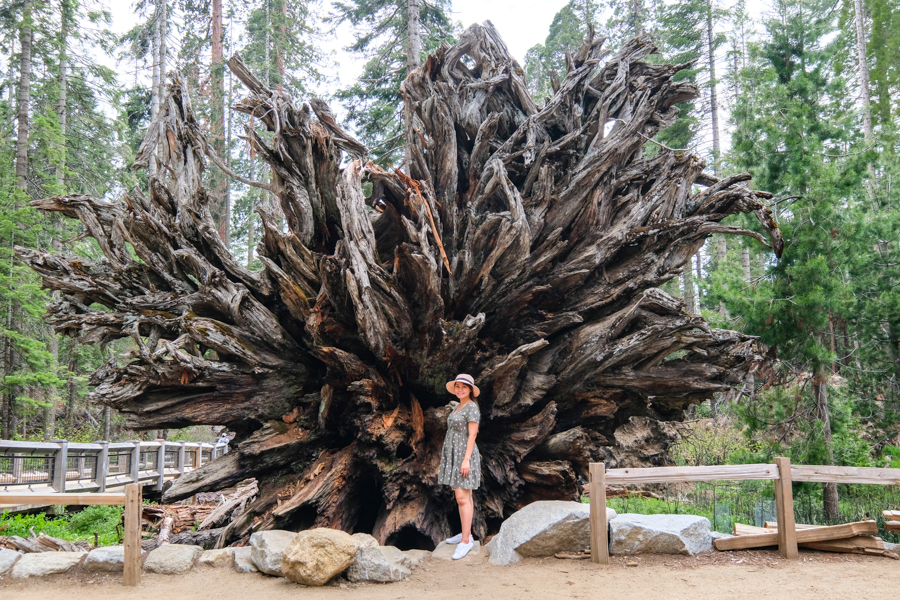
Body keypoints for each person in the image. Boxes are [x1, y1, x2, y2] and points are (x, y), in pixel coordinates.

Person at [437, 373, 482, 560]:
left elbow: (472, 435)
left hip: (465, 455)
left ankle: (465, 542)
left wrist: (466, 460)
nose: (460, 389)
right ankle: (467, 534)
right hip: (455, 454)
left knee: (462, 497)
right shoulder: (458, 407)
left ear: (470, 389)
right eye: (457, 386)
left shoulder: (471, 407)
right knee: (465, 496)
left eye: (464, 386)